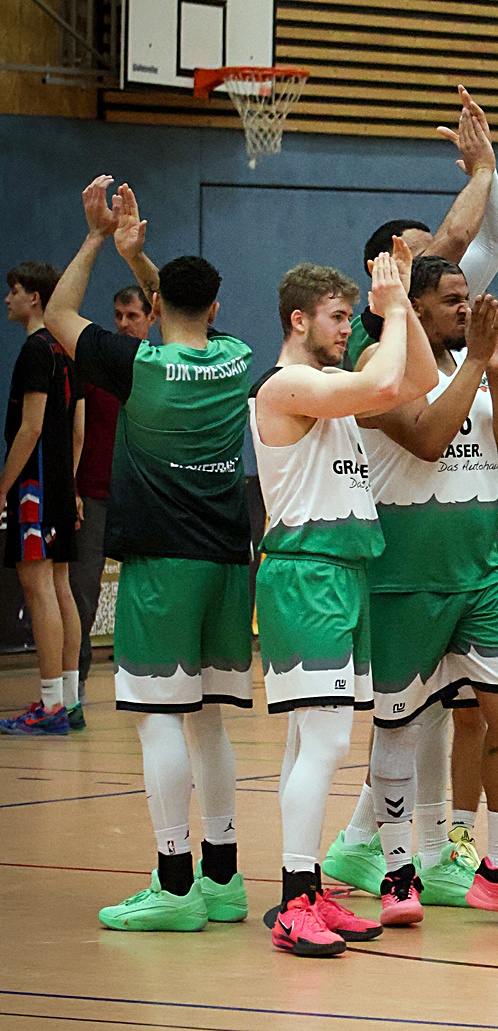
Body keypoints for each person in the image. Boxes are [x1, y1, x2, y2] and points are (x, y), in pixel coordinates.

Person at [45, 177, 252, 932]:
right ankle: (223, 876)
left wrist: (102, 238)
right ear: (218, 310)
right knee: (210, 725)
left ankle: (173, 883)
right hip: (232, 563)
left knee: (158, 720)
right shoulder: (237, 358)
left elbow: (60, 312)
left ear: (157, 310)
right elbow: (182, 310)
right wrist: (147, 264)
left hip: (164, 566)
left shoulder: (138, 366)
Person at [325, 85, 498, 887]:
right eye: (415, 255)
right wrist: (482, 169)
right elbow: (463, 230)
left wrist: (488, 172)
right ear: (387, 269)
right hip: (398, 536)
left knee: (435, 707)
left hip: (459, 543)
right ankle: (382, 846)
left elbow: (483, 234)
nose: (440, 264)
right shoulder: (386, 340)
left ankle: (418, 846)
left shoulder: (440, 316)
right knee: (406, 710)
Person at [349, 255, 498, 924]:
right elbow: (426, 437)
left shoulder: (475, 370)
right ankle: (395, 872)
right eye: (451, 300)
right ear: (414, 308)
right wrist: (477, 361)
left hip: (481, 575)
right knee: (398, 726)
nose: (466, 310)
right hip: (405, 578)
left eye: (468, 298)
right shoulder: (379, 368)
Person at [251, 253, 437, 956]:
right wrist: (390, 309)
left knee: (313, 738)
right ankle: (297, 897)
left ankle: (305, 885)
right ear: (299, 319)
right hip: (307, 572)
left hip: (345, 571)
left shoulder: (332, 384)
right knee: (325, 740)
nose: (343, 329)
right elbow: (388, 376)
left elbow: (415, 379)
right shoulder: (287, 384)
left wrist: (404, 309)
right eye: (335, 316)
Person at [0, 261, 83, 736]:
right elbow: (79, 431)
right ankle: (69, 700)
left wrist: (3, 487)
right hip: (57, 486)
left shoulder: (35, 350)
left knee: (39, 591)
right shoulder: (68, 349)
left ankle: (50, 703)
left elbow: (31, 427)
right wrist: (69, 486)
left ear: (34, 298)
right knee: (60, 587)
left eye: (13, 291)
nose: (7, 300)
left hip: (32, 486)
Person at [68, 285, 153, 710]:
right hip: (96, 495)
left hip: (144, 499)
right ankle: (74, 684)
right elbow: (76, 431)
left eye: (131, 315)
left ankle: (155, 679)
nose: (122, 323)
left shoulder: (160, 369)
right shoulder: (96, 367)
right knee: (81, 591)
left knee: (152, 592)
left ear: (151, 318)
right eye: (117, 314)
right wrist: (74, 487)